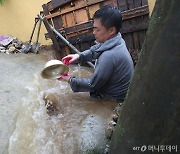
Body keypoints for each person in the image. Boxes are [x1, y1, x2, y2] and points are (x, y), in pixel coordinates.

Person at [59, 5, 134, 103]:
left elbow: (92, 85)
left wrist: (69, 79)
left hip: (112, 101)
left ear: (111, 30)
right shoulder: (117, 40)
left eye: (97, 29)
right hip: (120, 93)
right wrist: (78, 56)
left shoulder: (109, 56)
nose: (93, 32)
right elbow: (96, 50)